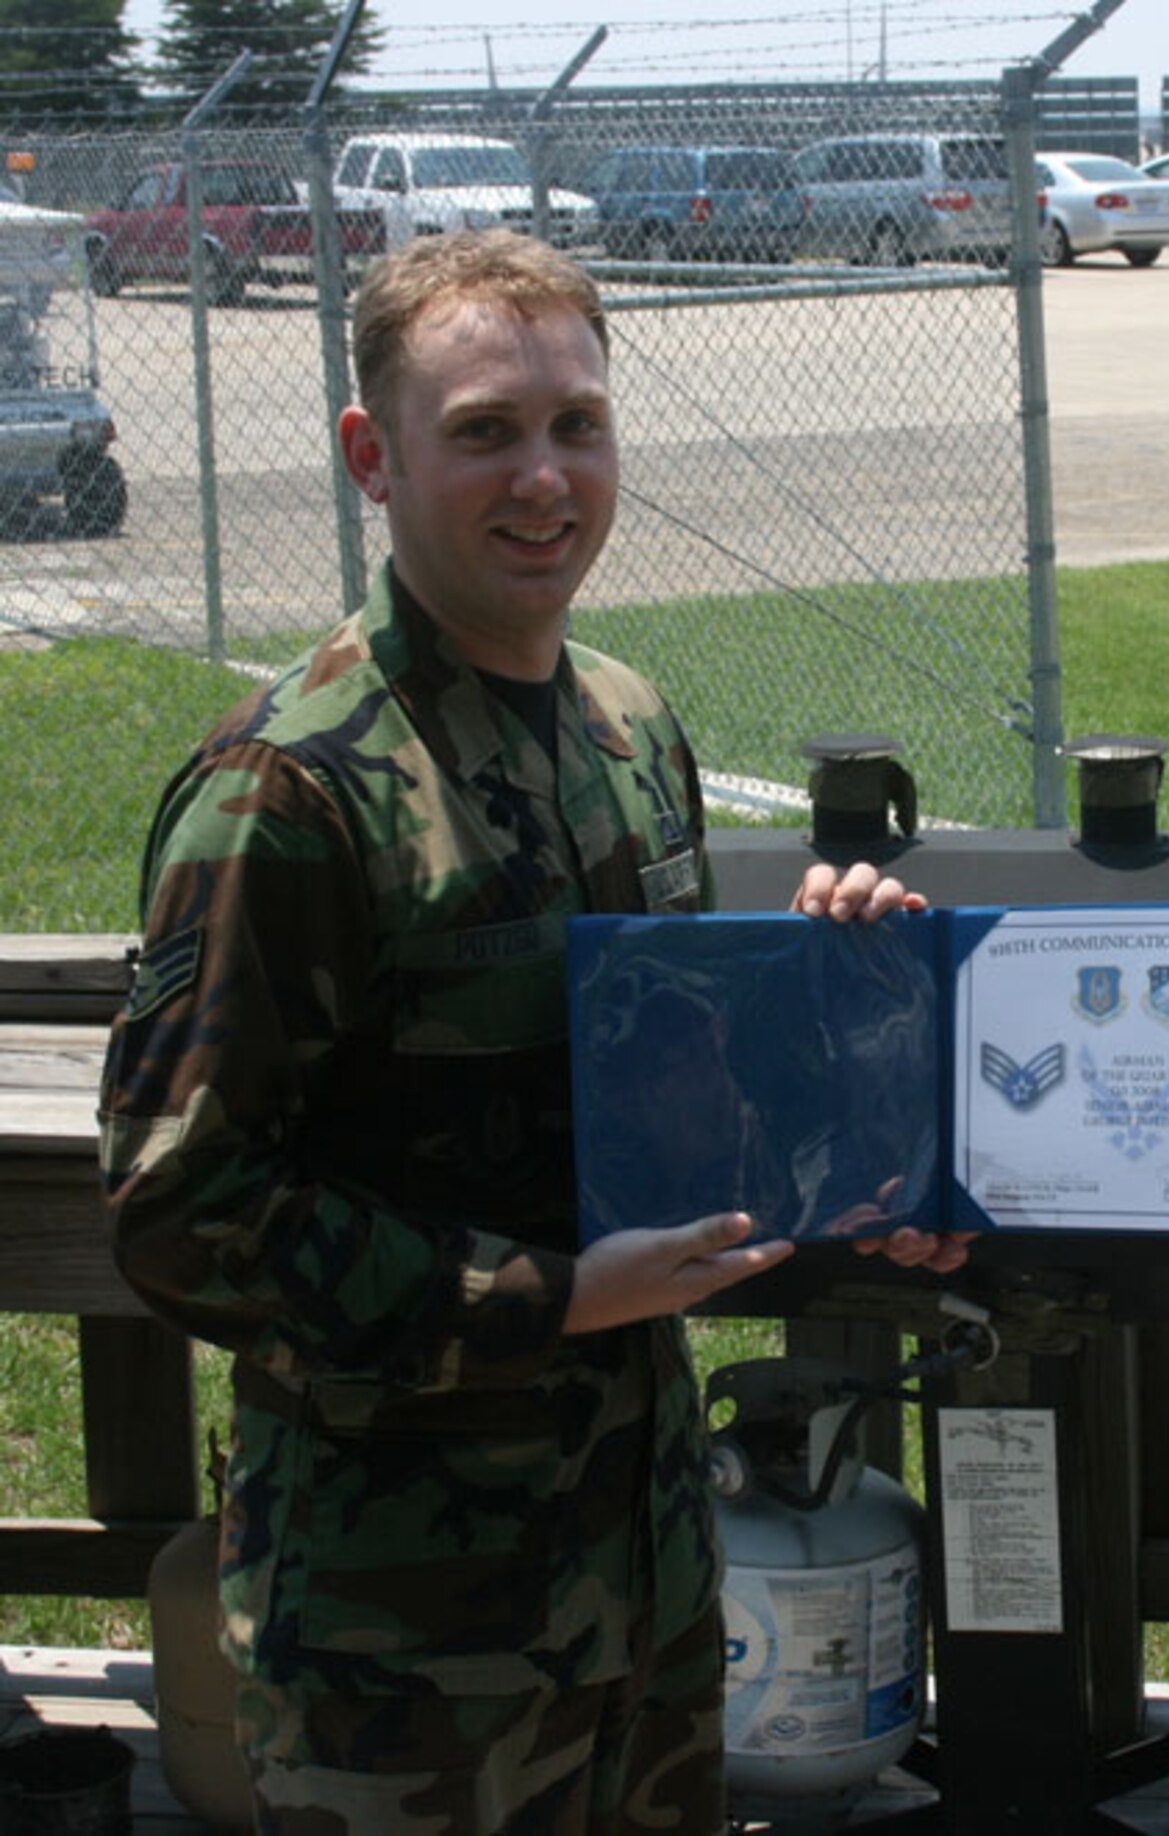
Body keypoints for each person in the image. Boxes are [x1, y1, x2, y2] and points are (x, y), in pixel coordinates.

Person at [98, 229, 965, 1833]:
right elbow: (186, 1212)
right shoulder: (292, 791)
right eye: (485, 430)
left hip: (645, 1585)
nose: (544, 478)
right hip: (405, 1636)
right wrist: (550, 1300)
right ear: (374, 456)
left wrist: (856, 1058)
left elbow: (689, 1103)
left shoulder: (626, 729)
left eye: (578, 424)